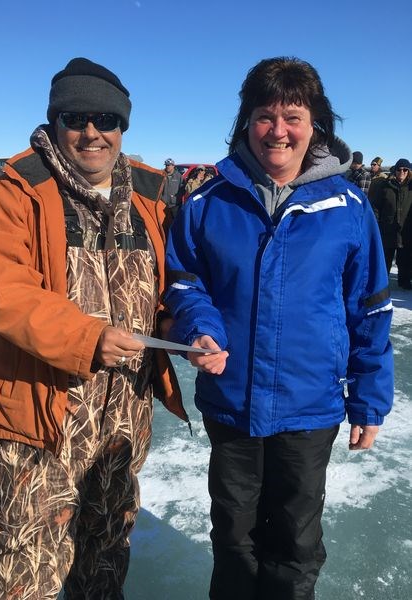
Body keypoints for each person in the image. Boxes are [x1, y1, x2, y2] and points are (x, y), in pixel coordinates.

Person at [164, 56, 393, 600]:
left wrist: (369, 399)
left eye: (293, 115)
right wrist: (199, 326)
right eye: (265, 115)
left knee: (294, 539)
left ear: (316, 125)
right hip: (231, 399)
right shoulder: (206, 201)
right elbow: (184, 282)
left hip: (308, 404)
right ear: (246, 122)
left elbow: (371, 309)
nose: (279, 130)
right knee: (235, 537)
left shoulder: (350, 206)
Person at [0, 57, 188, 599]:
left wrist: (185, 326)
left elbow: (173, 284)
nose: (92, 133)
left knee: (106, 555)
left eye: (106, 120)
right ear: (55, 121)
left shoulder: (152, 198)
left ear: (122, 127)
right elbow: (1, 287)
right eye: (75, 117)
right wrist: (87, 338)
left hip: (123, 419)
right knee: (25, 565)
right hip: (42, 414)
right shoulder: (18, 191)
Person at [372, 158, 412, 289]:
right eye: (399, 169)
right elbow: (376, 207)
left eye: (405, 170)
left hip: (406, 231)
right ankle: (381, 284)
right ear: (395, 170)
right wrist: (377, 224)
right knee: (385, 259)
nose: (402, 172)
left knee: (404, 259)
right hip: (387, 229)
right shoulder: (385, 185)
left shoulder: (411, 187)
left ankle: (404, 282)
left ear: (409, 171)